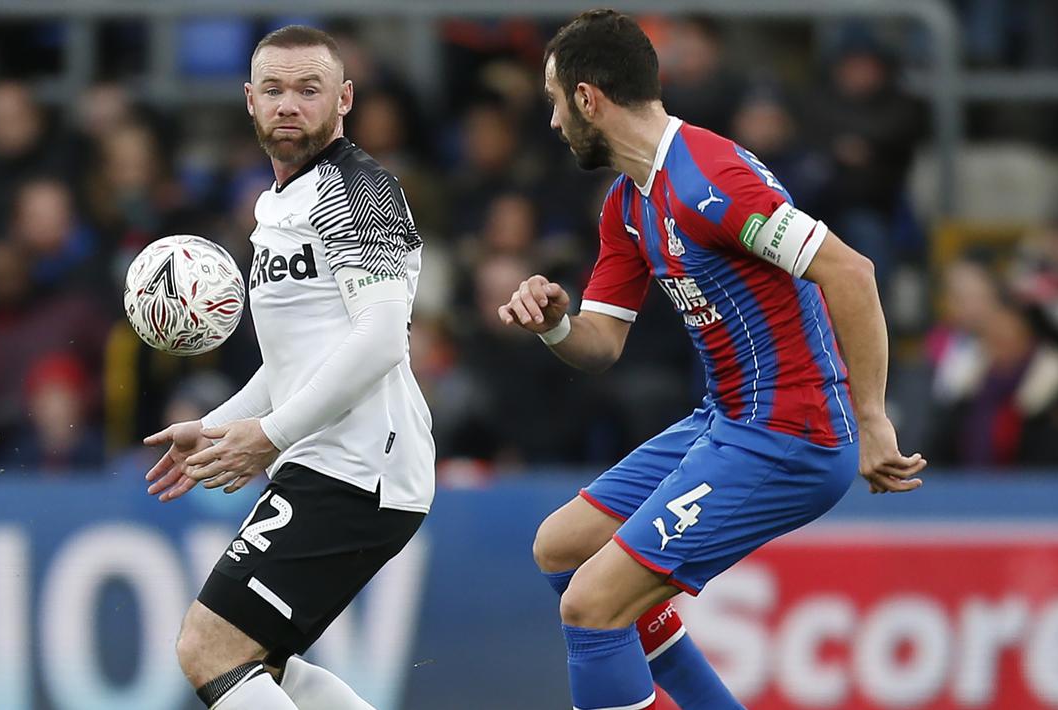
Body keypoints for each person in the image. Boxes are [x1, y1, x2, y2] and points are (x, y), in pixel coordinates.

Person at [500, 11, 925, 710]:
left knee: (591, 607)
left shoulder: (710, 179)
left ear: (587, 99)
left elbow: (850, 273)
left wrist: (872, 419)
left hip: (791, 435)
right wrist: (555, 324)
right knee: (562, 547)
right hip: (727, 420)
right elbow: (600, 345)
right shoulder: (626, 204)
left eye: (553, 100)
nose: (550, 122)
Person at [141, 26, 433, 710]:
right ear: (248, 99)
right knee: (257, 660)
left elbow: (381, 338)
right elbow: (291, 363)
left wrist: (268, 435)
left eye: (309, 90)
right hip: (328, 460)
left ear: (345, 98)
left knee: (209, 646)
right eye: (273, 90)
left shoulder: (357, 191)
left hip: (364, 468)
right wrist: (218, 427)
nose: (288, 105)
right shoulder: (279, 205)